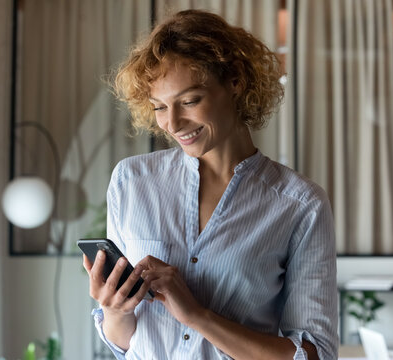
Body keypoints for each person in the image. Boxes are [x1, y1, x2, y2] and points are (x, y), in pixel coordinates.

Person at [83, 9, 337, 360]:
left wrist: (198, 316)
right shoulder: (131, 182)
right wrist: (115, 310)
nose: (172, 123)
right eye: (159, 107)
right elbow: (126, 344)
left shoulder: (299, 204)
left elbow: (315, 355)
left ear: (235, 81)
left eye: (189, 101)